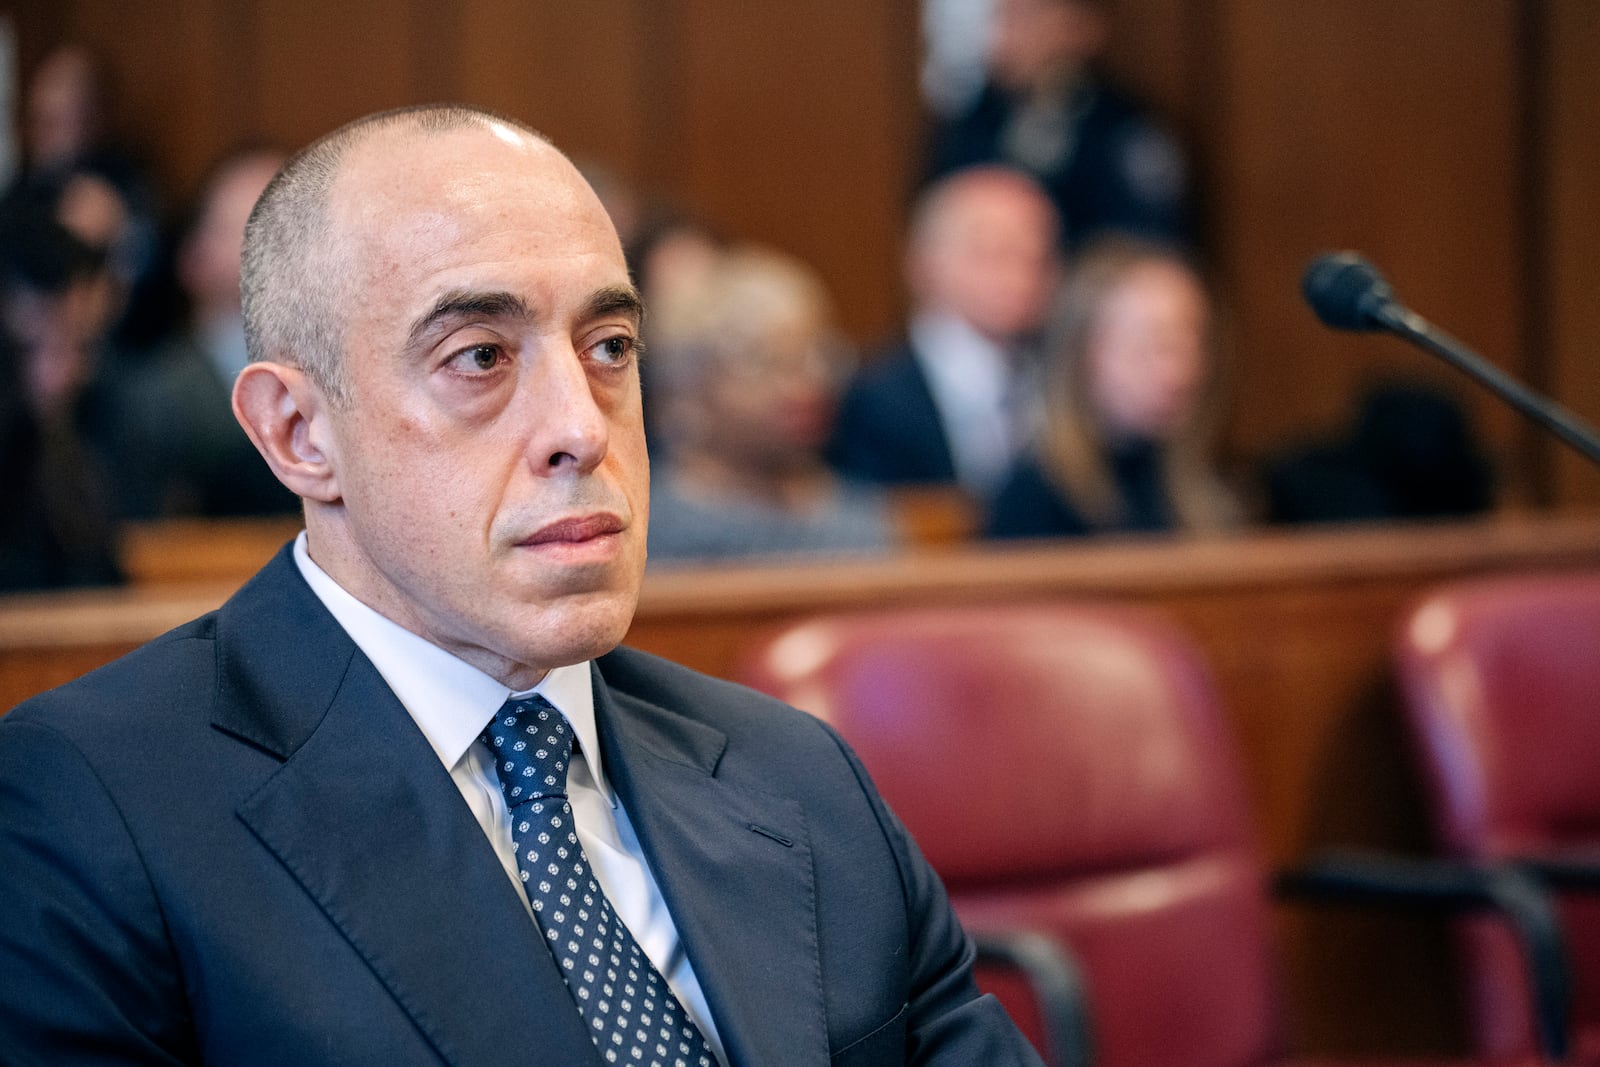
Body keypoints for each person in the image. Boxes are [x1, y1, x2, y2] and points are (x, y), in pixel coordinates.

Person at [0, 105, 1041, 1066]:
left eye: (611, 345)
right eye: (480, 355)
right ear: (298, 432)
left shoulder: (801, 778)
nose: (582, 426)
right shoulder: (92, 808)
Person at [646, 244, 897, 565]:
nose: (804, 385)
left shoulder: (863, 523)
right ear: (685, 391)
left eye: (814, 356)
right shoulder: (650, 535)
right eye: (763, 362)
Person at [828, 164, 1060, 502]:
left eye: (1037, 255)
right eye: (994, 252)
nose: (1020, 272)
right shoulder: (875, 399)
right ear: (923, 262)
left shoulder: (1064, 378)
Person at [986, 236, 1238, 539]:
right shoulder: (1034, 501)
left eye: (1193, 343)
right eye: (1154, 346)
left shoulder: (1197, 490)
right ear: (1083, 354)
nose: (1181, 372)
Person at [114, 146, 300, 517]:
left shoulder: (340, 377)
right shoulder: (150, 399)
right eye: (255, 225)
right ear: (193, 259)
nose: (283, 245)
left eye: (296, 225)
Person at [926, 0, 1190, 251]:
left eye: (1026, 18)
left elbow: (1143, 248)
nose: (1004, 38)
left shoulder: (1124, 136)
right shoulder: (975, 119)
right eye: (1002, 15)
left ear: (1083, 29)